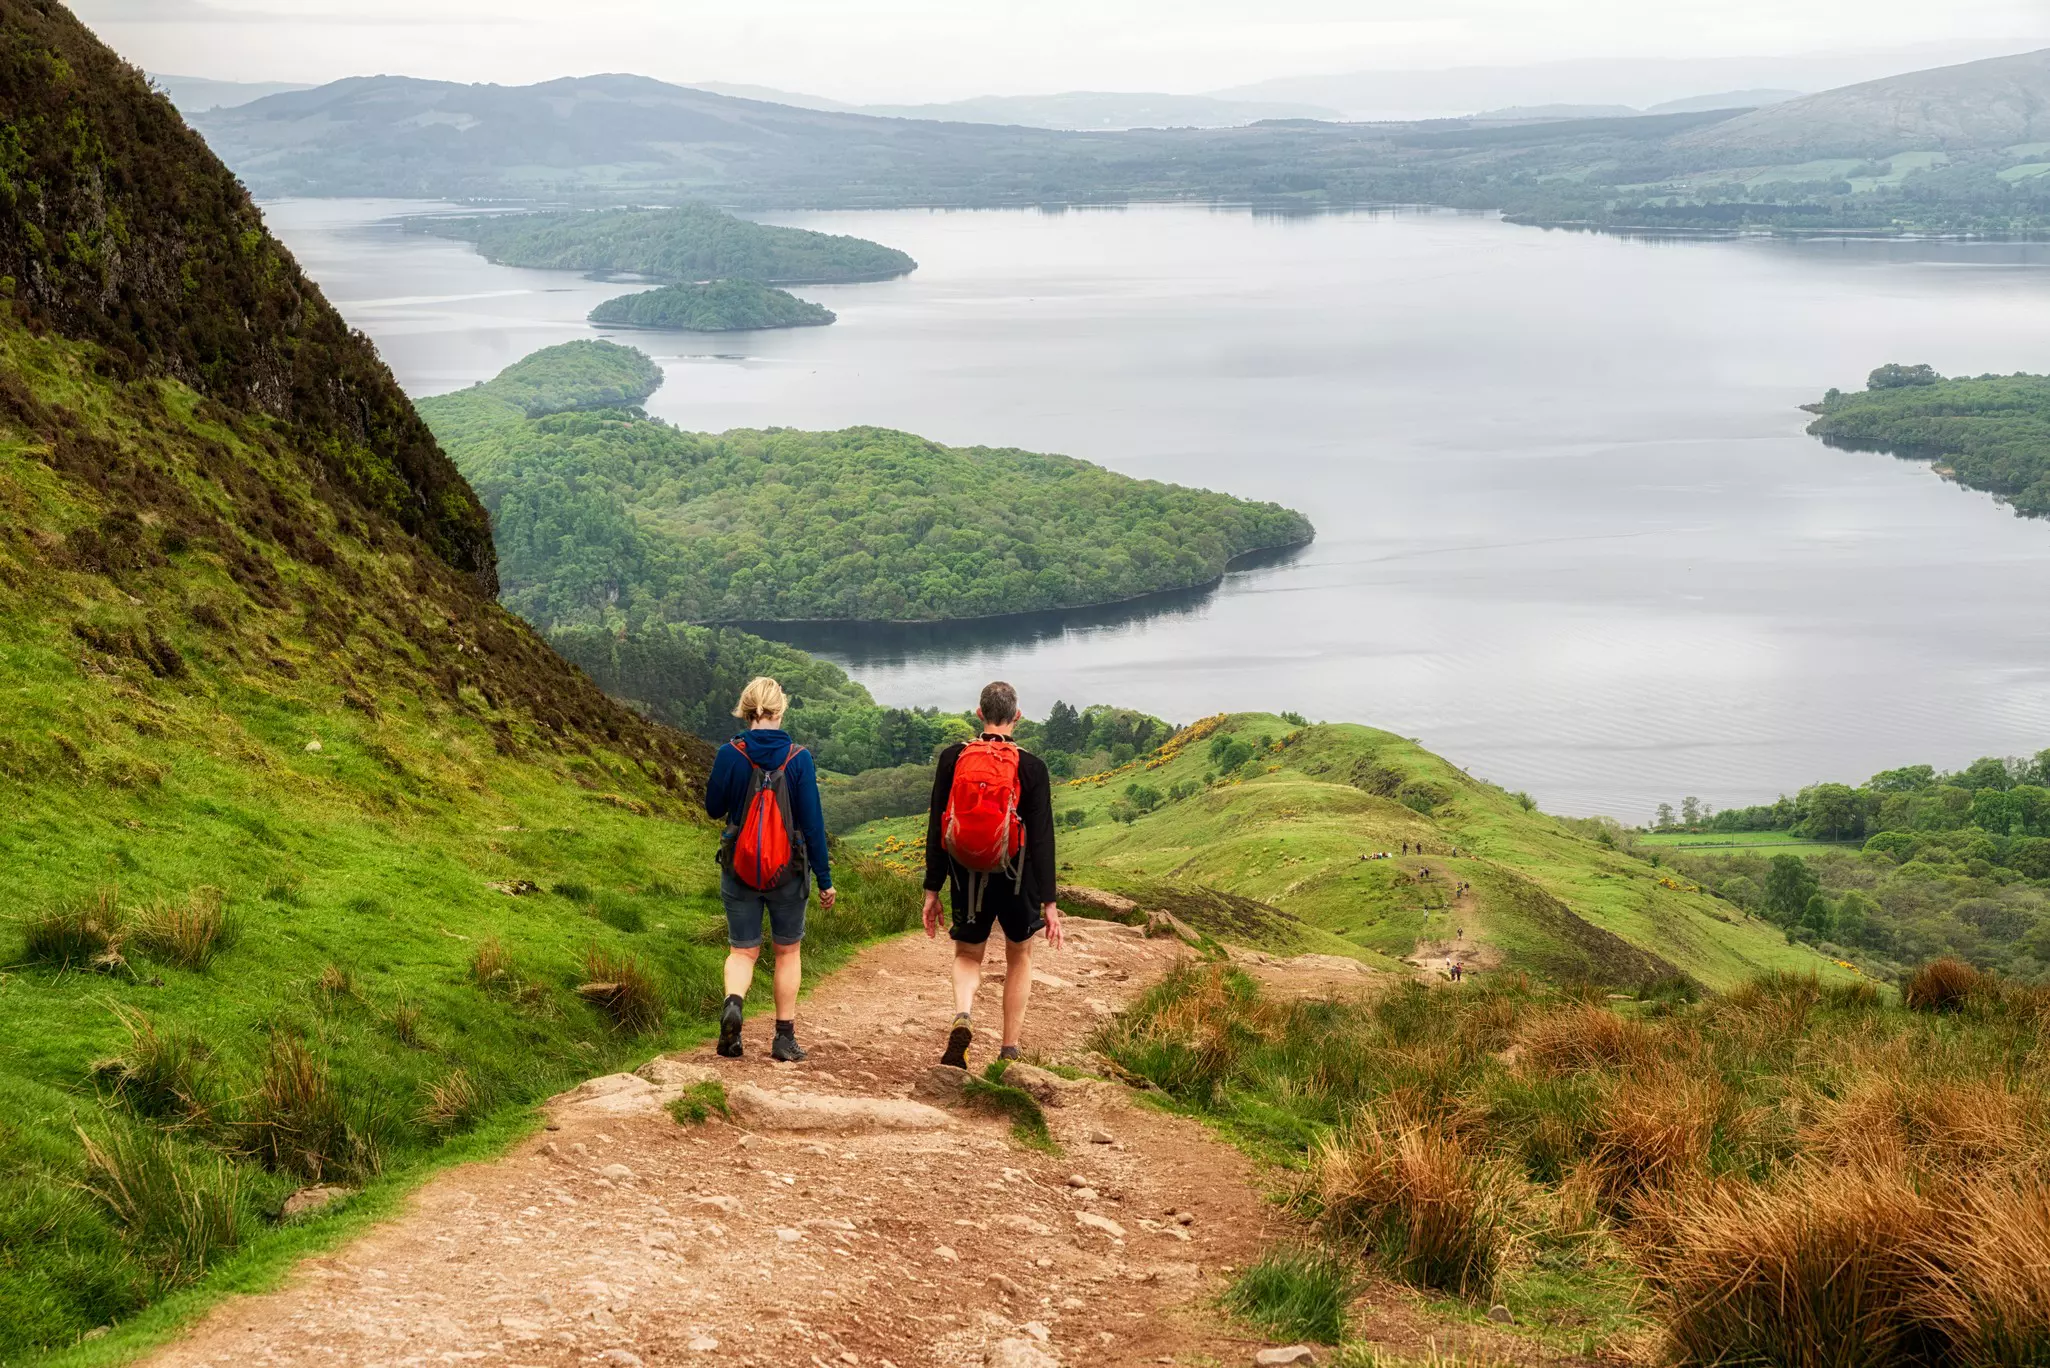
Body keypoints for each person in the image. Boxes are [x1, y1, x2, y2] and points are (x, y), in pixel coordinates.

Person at [922, 680, 1064, 1068]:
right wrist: (1049, 902)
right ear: (1016, 716)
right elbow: (1042, 838)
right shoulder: (1032, 767)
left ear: (980, 713)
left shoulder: (953, 758)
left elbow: (937, 824)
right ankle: (1009, 1050)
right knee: (1020, 955)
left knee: (968, 953)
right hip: (1019, 876)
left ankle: (964, 1014)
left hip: (966, 873)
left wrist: (932, 888)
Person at [703, 676, 833, 1062]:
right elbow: (812, 825)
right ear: (779, 710)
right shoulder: (799, 757)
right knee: (787, 952)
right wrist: (824, 880)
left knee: (742, 952)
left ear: (747, 711)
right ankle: (783, 1038)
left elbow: (713, 807)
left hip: (739, 867)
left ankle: (733, 1005)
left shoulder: (731, 754)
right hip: (789, 872)